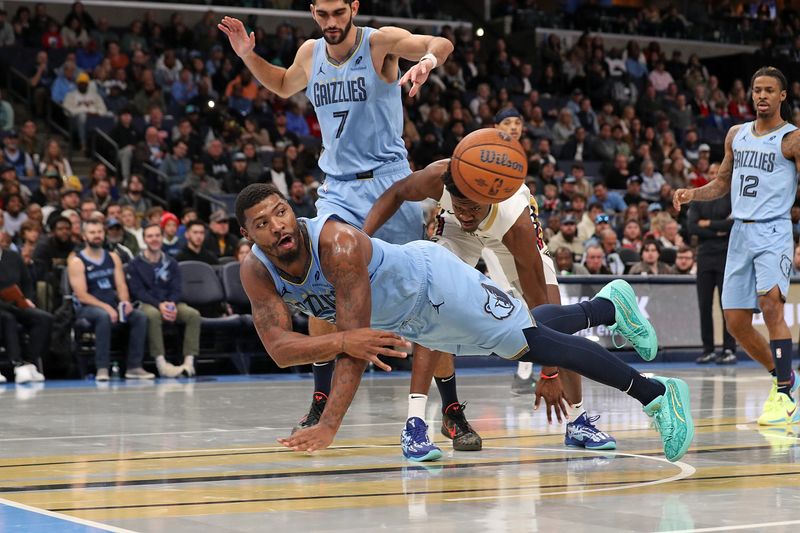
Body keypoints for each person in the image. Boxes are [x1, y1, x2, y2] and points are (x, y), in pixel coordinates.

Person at [235, 183, 694, 463]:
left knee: (531, 343)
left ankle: (657, 395)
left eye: (281, 212)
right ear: (248, 235)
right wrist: (341, 338)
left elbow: (355, 350)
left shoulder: (335, 246)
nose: (278, 225)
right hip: (414, 320)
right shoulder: (257, 270)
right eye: (262, 222)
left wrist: (330, 425)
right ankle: (609, 307)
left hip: (438, 283)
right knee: (516, 336)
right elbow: (278, 347)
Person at [219, 1, 453, 439]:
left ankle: (451, 405)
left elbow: (440, 40)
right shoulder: (310, 52)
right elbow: (285, 84)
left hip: (388, 184)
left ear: (353, 8)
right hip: (338, 189)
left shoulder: (378, 42)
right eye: (322, 14)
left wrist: (426, 61)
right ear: (313, 12)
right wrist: (247, 55)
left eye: (338, 12)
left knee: (423, 297)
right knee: (321, 292)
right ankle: (322, 397)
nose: (331, 22)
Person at [365, 156, 620, 454]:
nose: (468, 214)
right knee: (433, 303)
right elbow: (396, 192)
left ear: (489, 199)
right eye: (461, 206)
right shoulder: (438, 178)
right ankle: (415, 424)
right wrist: (362, 238)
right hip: (455, 232)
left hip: (504, 230)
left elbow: (541, 309)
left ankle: (578, 420)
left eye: (473, 208)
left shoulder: (516, 223)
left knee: (557, 316)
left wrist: (548, 372)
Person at [674, 67, 800, 424]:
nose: (761, 95)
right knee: (735, 323)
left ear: (782, 97)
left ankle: (784, 395)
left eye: (769, 90)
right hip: (740, 232)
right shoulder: (736, 134)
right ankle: (783, 376)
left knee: (771, 306)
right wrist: (692, 194)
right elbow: (721, 182)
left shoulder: (792, 139)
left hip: (773, 230)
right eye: (757, 89)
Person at [66, 219, 154, 381]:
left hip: (112, 305)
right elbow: (82, 295)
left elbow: (121, 286)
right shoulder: (77, 262)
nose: (96, 236)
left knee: (139, 317)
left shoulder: (113, 257)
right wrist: (106, 308)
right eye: (92, 233)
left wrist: (125, 302)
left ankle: (134, 367)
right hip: (88, 308)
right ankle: (102, 368)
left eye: (99, 232)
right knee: (103, 316)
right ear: (84, 236)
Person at [126, 222, 201, 378]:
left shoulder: (171, 262)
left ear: (161, 237)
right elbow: (138, 291)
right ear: (144, 239)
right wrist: (159, 305)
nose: (154, 239)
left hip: (170, 303)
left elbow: (177, 288)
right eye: (150, 236)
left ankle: (189, 362)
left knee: (193, 314)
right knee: (152, 315)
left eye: (157, 235)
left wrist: (171, 304)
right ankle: (161, 364)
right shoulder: (135, 264)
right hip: (147, 304)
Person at [686, 162, 737, 365]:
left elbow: (734, 223)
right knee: (704, 306)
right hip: (705, 257)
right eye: (712, 173)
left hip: (726, 256)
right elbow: (692, 227)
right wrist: (718, 229)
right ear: (707, 175)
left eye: (718, 172)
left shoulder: (733, 197)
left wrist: (707, 224)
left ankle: (729, 349)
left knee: (728, 306)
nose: (715, 175)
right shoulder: (699, 199)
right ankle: (707, 349)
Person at [0, 246, 52, 383]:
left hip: (16, 304)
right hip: (4, 308)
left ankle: (28, 362)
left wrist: (27, 299)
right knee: (8, 319)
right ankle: (17, 365)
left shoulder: (13, 256)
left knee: (44, 318)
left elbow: (27, 282)